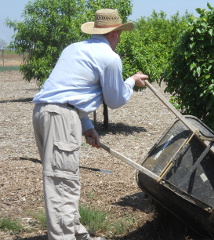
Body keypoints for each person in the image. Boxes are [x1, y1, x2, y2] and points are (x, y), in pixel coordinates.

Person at [32, 9, 148, 240]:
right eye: (120, 33)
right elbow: (115, 100)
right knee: (62, 183)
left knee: (63, 178)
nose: (120, 38)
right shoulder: (110, 57)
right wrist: (131, 81)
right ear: (114, 33)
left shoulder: (73, 48)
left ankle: (76, 234)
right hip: (61, 118)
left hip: (44, 113)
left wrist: (86, 125)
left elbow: (70, 90)